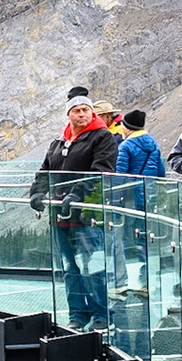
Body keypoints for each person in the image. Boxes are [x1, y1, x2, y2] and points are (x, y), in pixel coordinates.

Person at [30, 90, 118, 331]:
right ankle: (78, 313)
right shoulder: (60, 142)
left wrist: (77, 194)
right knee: (70, 268)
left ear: (92, 112)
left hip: (87, 214)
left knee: (93, 266)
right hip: (60, 215)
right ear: (68, 114)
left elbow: (101, 171)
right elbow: (46, 169)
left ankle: (101, 314)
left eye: (86, 110)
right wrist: (37, 191)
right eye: (76, 111)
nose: (82, 114)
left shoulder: (102, 138)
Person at [115, 109, 165, 289]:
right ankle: (148, 281)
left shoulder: (126, 146)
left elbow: (119, 175)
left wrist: (115, 200)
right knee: (145, 236)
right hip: (149, 195)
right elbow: (161, 173)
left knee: (127, 237)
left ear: (127, 127)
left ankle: (122, 282)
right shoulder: (153, 144)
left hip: (130, 197)